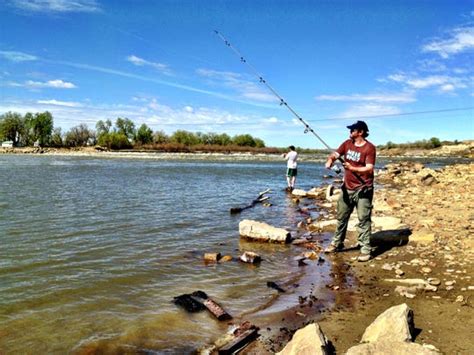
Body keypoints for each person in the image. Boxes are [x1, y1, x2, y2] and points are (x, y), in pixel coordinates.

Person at [324, 121, 376, 262]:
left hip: (363, 189)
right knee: (342, 218)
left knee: (363, 220)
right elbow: (335, 154)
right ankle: (337, 244)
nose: (350, 131)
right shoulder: (347, 143)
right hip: (347, 188)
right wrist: (330, 161)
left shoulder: (370, 148)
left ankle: (365, 250)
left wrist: (353, 168)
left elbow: (369, 168)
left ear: (360, 132)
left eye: (353, 129)